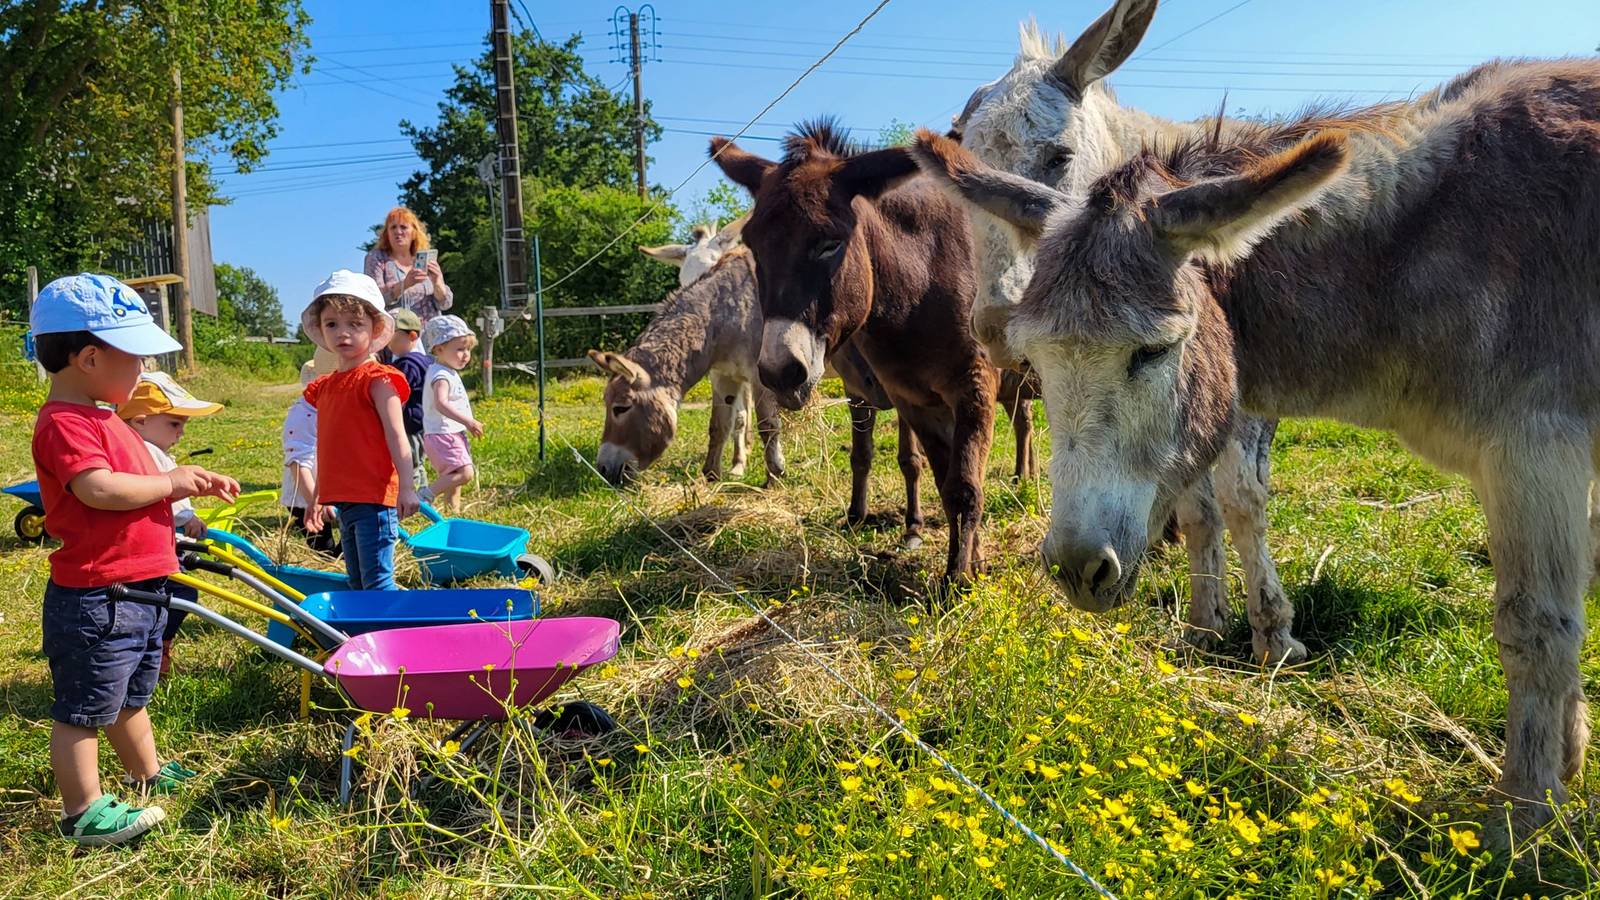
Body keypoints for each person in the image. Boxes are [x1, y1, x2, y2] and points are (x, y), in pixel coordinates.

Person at [30, 273, 238, 845]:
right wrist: (169, 483)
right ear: (90, 358)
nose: (144, 369)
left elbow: (143, 480)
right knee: (84, 707)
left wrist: (186, 478)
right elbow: (98, 489)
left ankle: (146, 772)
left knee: (129, 695)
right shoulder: (65, 423)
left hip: (139, 587)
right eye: (137, 357)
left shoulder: (105, 417)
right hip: (97, 595)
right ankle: (82, 810)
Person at [299, 269, 419, 591]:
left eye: (355, 324)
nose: (343, 333)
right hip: (345, 501)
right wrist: (318, 496)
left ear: (375, 328)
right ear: (320, 328)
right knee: (356, 581)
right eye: (332, 324)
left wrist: (407, 487)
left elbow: (398, 436)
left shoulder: (378, 380)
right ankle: (367, 624)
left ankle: (390, 623)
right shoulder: (326, 387)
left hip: (373, 498)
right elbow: (329, 447)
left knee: (377, 582)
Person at [116, 372, 224, 675]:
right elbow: (164, 495)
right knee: (182, 595)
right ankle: (157, 647)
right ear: (140, 421)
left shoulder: (138, 449)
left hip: (150, 546)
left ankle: (151, 647)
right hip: (157, 548)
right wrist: (188, 518)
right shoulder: (148, 452)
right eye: (174, 424)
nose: (181, 433)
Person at [418, 314, 483, 513]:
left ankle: (452, 513)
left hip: (449, 432)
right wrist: (468, 421)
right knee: (465, 473)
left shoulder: (445, 370)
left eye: (468, 349)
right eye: (460, 349)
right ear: (439, 349)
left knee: (454, 480)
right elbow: (441, 403)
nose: (466, 355)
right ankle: (424, 495)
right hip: (443, 434)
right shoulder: (441, 375)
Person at [281, 351, 340, 557]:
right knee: (324, 549)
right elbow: (298, 462)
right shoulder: (305, 414)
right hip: (305, 497)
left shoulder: (339, 408)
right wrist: (316, 502)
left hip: (336, 493)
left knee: (354, 541)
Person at [363, 206, 452, 322]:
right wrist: (405, 284)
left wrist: (438, 283)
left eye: (403, 227)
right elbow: (373, 299)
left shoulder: (424, 259)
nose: (398, 232)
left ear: (414, 233)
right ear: (387, 233)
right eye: (393, 227)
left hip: (429, 330)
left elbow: (445, 304)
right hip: (396, 330)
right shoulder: (377, 258)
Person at [377, 307, 429, 491]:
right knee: (417, 462)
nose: (389, 344)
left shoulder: (407, 364)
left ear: (412, 336)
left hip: (409, 424)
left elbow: (398, 395)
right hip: (421, 422)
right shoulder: (426, 361)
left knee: (410, 462)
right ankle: (422, 492)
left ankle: (414, 496)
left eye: (394, 339)